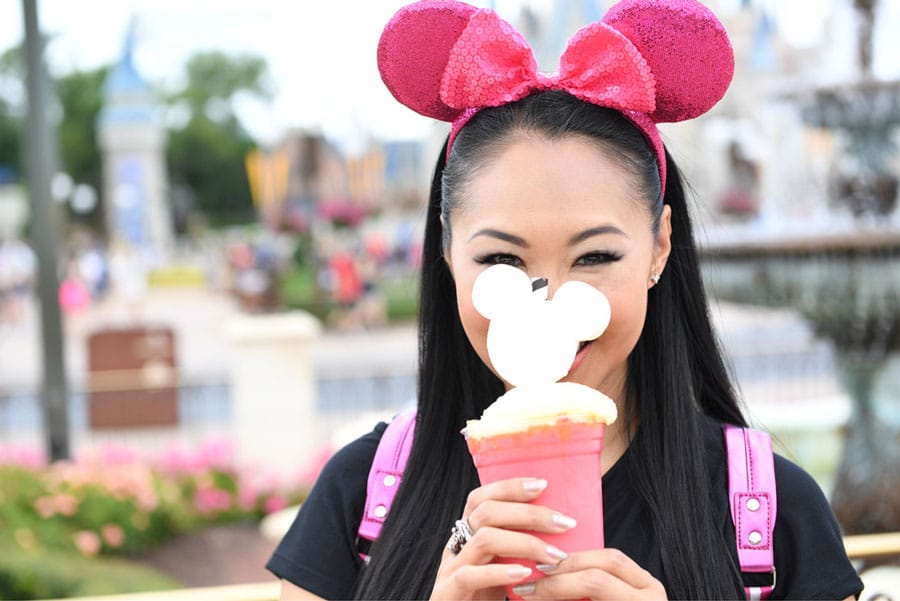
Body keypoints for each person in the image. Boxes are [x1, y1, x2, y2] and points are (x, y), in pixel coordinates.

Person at [267, 1, 864, 599]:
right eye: (501, 261)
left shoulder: (770, 512)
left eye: (595, 258)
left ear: (658, 248)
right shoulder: (363, 491)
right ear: (447, 252)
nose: (545, 309)